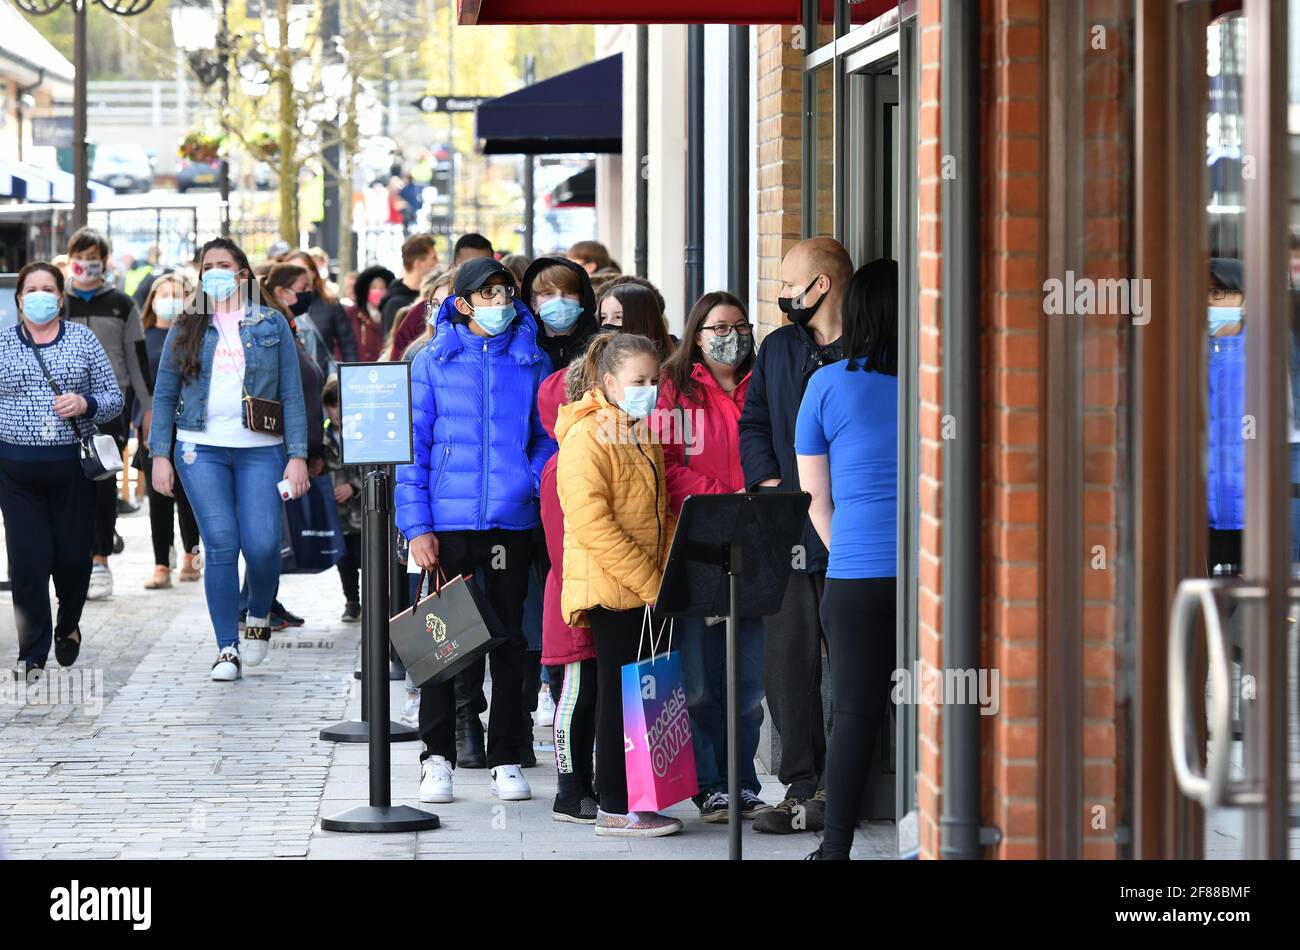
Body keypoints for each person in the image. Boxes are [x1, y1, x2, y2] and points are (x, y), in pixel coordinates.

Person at [396, 257, 555, 805]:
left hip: (511, 523)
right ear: (462, 303)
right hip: (447, 524)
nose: (500, 303)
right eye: (487, 294)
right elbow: (410, 451)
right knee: (444, 645)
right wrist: (417, 525)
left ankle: (505, 756)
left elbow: (545, 437)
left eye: (505, 293)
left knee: (509, 643)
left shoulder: (530, 358)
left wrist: (527, 478)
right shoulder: (433, 361)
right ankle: (435, 758)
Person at [148, 238, 309, 682]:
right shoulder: (186, 325)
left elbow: (292, 396)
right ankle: (226, 648)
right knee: (220, 544)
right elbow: (164, 395)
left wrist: (297, 456)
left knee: (260, 546)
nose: (214, 272)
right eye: (207, 266)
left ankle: (258, 612)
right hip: (200, 448)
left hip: (261, 449)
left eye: (224, 265)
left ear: (242, 274)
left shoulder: (271, 324)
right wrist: (160, 455)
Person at [738, 236, 853, 834]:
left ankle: (842, 786)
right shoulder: (779, 348)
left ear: (822, 285)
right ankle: (800, 786)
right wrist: (767, 477)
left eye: (789, 284)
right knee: (786, 668)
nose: (782, 296)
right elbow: (754, 420)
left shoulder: (870, 349)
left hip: (852, 532)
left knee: (852, 668)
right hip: (786, 528)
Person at [555, 332, 681, 837]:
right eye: (638, 381)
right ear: (608, 383)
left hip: (649, 587)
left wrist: (671, 572)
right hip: (613, 590)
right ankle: (613, 804)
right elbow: (593, 525)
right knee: (616, 697)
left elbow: (661, 510)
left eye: (654, 381)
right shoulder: (587, 436)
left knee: (644, 699)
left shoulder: (641, 429)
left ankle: (641, 799)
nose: (648, 390)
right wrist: (652, 581)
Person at [650, 291, 769, 822]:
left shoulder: (762, 383)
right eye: (719, 326)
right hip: (696, 542)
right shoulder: (672, 390)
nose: (731, 335)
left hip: (757, 540)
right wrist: (724, 495)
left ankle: (743, 781)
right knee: (697, 680)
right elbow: (664, 465)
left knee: (747, 680)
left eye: (740, 325)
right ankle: (709, 785)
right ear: (697, 335)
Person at [794, 259, 899, 860]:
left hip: (857, 573)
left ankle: (835, 851)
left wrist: (852, 553)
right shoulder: (938, 379)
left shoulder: (826, 385)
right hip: (935, 578)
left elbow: (816, 500)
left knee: (855, 712)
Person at [0, 262, 124, 677]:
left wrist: (85, 403)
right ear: (20, 300)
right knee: (28, 564)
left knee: (73, 561)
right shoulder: (3, 343)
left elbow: (113, 398)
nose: (38, 295)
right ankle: (31, 653)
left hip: (73, 469)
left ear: (59, 297)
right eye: (30, 289)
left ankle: (68, 623)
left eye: (47, 288)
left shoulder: (82, 341)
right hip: (16, 474)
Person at [63, 227, 154, 602]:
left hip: (108, 408)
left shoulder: (122, 303)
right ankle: (71, 560)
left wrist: (146, 409)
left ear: (105, 260)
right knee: (67, 484)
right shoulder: (57, 300)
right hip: (61, 408)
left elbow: (137, 359)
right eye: (80, 257)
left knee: (102, 484)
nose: (86, 265)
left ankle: (100, 558)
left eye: (93, 258)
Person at [538, 355, 597, 822]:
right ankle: (569, 788)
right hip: (575, 607)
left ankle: (588, 784)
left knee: (593, 696)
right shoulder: (562, 466)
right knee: (575, 696)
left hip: (599, 599)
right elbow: (563, 551)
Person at [139, 273, 202, 590]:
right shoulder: (143, 334)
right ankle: (161, 562)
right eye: (162, 294)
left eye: (176, 293)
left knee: (188, 494)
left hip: (189, 423)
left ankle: (192, 556)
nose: (169, 299)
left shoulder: (195, 333)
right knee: (158, 495)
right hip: (151, 424)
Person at [1207, 257, 1246, 572]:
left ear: (1244, 299)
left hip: (1253, 514)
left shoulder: (1266, 352)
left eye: (1220, 292)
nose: (1211, 300)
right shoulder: (1183, 351)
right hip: (1199, 514)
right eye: (1205, 292)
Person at [322, 376, 364, 622]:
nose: (336, 412)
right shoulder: (324, 436)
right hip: (338, 514)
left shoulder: (361, 433)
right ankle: (352, 601)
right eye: (332, 406)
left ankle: (376, 600)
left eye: (340, 405)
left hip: (361, 511)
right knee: (344, 560)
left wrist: (353, 486)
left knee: (366, 558)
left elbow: (372, 468)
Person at [521, 257, 600, 370]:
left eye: (568, 292)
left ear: (582, 300)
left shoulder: (600, 347)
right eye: (548, 293)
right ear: (534, 303)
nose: (559, 300)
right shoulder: (523, 349)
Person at [286, 249, 358, 363]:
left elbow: (348, 345)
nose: (295, 276)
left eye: (301, 270)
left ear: (313, 273)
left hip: (323, 375)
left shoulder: (330, 304)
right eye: (290, 271)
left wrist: (351, 376)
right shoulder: (278, 306)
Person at [380, 234, 439, 336]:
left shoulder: (433, 295)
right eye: (433, 258)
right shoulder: (394, 304)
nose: (437, 262)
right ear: (418, 263)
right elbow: (394, 346)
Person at [388, 268, 453, 360]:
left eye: (447, 304)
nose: (440, 311)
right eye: (435, 304)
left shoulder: (476, 346)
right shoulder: (416, 352)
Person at [597, 281, 675, 357]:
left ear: (641, 319)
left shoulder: (673, 365)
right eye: (604, 317)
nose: (608, 323)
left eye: (618, 317)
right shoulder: (596, 358)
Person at [348, 265, 395, 362]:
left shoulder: (392, 313)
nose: (378, 291)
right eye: (374, 288)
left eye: (382, 288)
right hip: (360, 368)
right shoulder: (352, 313)